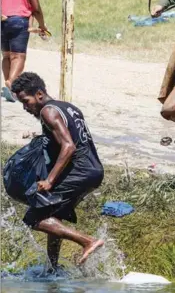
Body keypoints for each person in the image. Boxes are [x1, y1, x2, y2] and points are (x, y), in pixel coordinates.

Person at [11, 72, 105, 270]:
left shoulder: (48, 111)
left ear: (39, 94)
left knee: (34, 217)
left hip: (80, 171)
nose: (25, 108)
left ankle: (87, 241)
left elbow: (69, 146)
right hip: (94, 170)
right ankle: (52, 268)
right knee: (53, 214)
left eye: (26, 102)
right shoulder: (69, 107)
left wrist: (50, 181)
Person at [1, 0, 48, 103]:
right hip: (19, 21)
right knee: (18, 56)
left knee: (7, 56)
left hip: (2, 21)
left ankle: (8, 86)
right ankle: (10, 83)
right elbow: (36, 8)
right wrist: (42, 25)